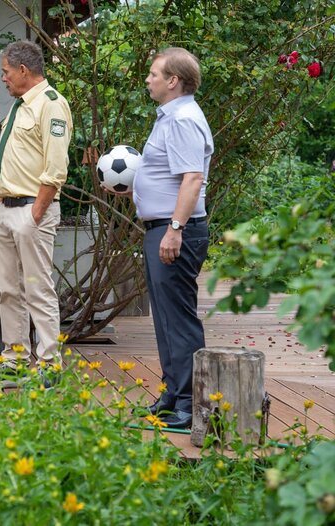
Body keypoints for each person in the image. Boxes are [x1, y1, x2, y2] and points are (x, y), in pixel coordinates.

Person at [127, 48, 214, 428]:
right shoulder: (171, 117)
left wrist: (175, 229)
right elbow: (167, 172)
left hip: (174, 231)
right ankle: (173, 394)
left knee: (178, 321)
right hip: (162, 228)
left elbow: (192, 177)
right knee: (164, 319)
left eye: (154, 74)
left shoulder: (182, 119)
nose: (148, 79)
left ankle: (190, 405)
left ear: (173, 80)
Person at [0, 41, 73, 387]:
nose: (3, 78)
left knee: (37, 288)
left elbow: (55, 167)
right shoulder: (19, 106)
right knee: (9, 290)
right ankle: (16, 359)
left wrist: (36, 212)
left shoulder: (51, 105)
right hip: (5, 210)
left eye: (6, 71)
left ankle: (49, 365)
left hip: (32, 210)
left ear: (23, 70)